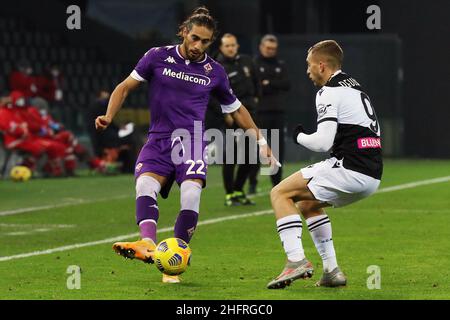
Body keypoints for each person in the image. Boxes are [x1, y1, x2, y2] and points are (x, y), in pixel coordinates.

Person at [95, 7, 279, 283]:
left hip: (191, 139)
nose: (198, 46)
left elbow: (237, 109)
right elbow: (124, 87)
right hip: (158, 139)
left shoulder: (214, 72)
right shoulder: (157, 57)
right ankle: (147, 243)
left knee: (191, 193)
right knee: (145, 185)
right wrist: (109, 115)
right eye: (194, 38)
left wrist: (262, 142)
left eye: (205, 42)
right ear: (184, 32)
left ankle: (176, 258)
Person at [267, 40, 382, 289]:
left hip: (349, 168)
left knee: (279, 192)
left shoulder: (328, 92)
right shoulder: (355, 87)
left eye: (309, 66)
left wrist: (296, 135)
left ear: (321, 65)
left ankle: (296, 260)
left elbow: (322, 143)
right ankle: (332, 272)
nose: (307, 72)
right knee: (307, 203)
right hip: (372, 174)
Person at [212, 33, 261, 206]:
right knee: (231, 157)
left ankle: (239, 190)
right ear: (221, 48)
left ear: (237, 46)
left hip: (250, 113)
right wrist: (225, 114)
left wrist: (256, 98)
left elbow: (256, 82)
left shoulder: (247, 61)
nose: (231, 48)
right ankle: (229, 194)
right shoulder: (217, 67)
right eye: (227, 46)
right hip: (232, 116)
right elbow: (212, 95)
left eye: (233, 45)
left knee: (251, 156)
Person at [250, 34, 290, 193]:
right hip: (260, 112)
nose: (270, 51)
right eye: (267, 48)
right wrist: (273, 84)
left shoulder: (281, 64)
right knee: (257, 149)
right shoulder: (254, 63)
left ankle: (276, 184)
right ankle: (252, 182)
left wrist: (268, 83)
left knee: (277, 149)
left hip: (277, 112)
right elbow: (255, 85)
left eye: (273, 48)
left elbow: (286, 84)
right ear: (261, 47)